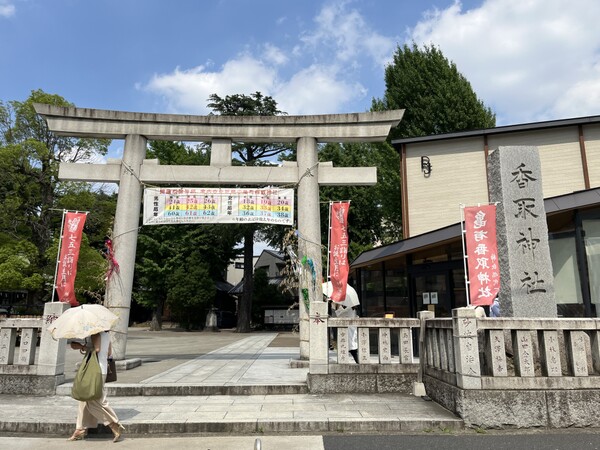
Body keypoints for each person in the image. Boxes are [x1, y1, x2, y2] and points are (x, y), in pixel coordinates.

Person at [68, 331, 125, 442]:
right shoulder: (106, 335)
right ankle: (80, 429)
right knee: (84, 399)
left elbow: (97, 349)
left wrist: (82, 347)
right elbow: (109, 353)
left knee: (93, 400)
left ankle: (114, 423)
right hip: (102, 369)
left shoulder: (95, 333)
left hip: (94, 370)